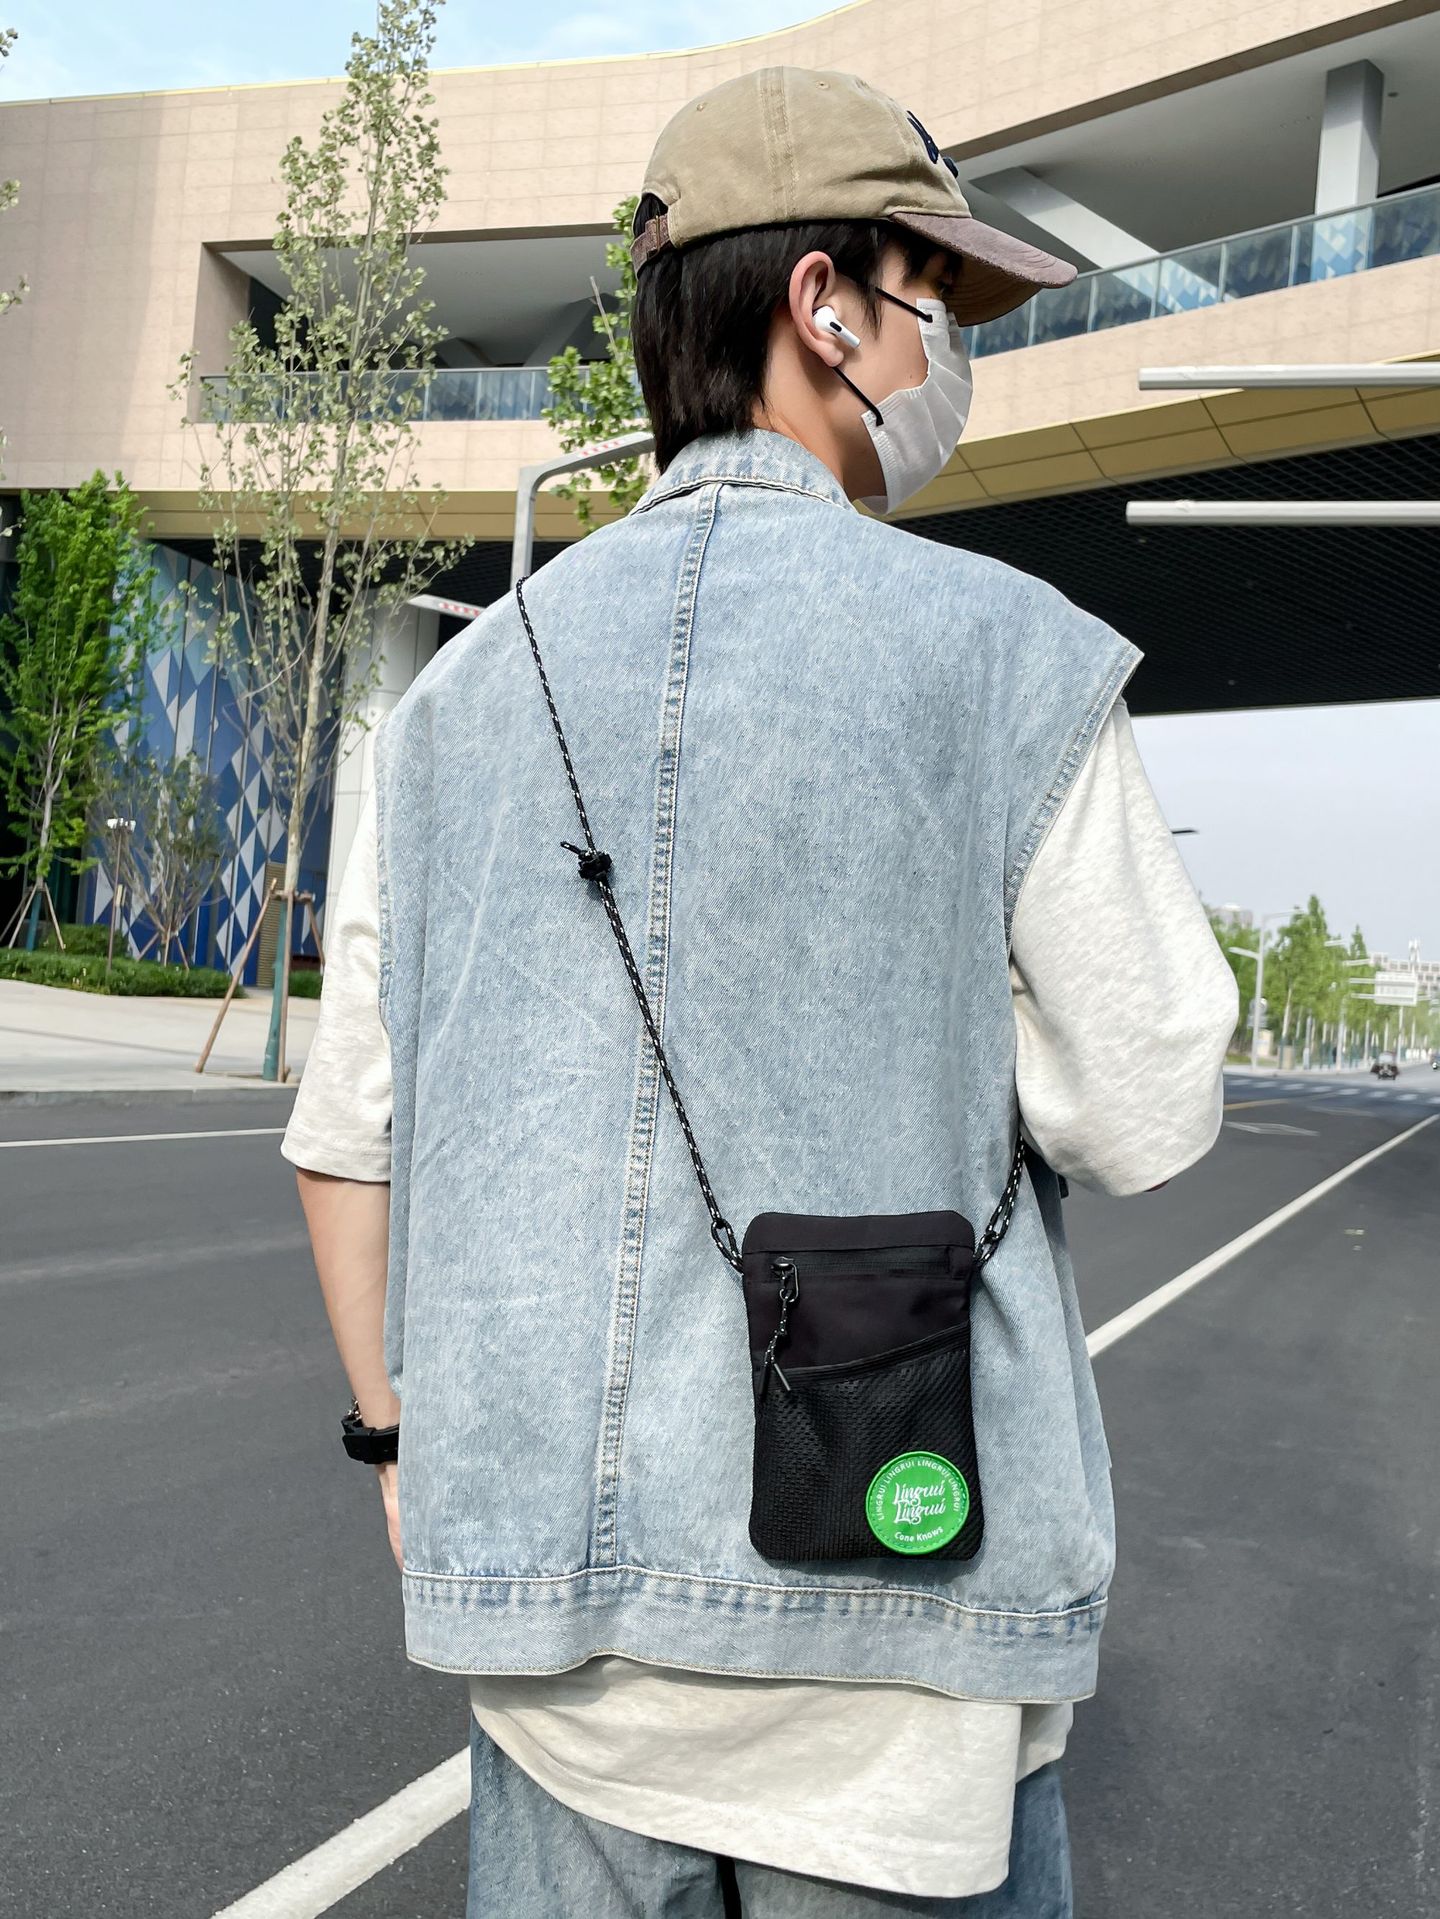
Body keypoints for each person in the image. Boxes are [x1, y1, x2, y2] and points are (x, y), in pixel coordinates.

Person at [284, 65, 1237, 1918]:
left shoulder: (450, 708)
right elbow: (1149, 1097)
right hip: (893, 1666)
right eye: (933, 303)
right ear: (824, 307)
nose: (945, 357)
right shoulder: (1006, 657)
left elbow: (348, 1141)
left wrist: (398, 1436)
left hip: (560, 1666)